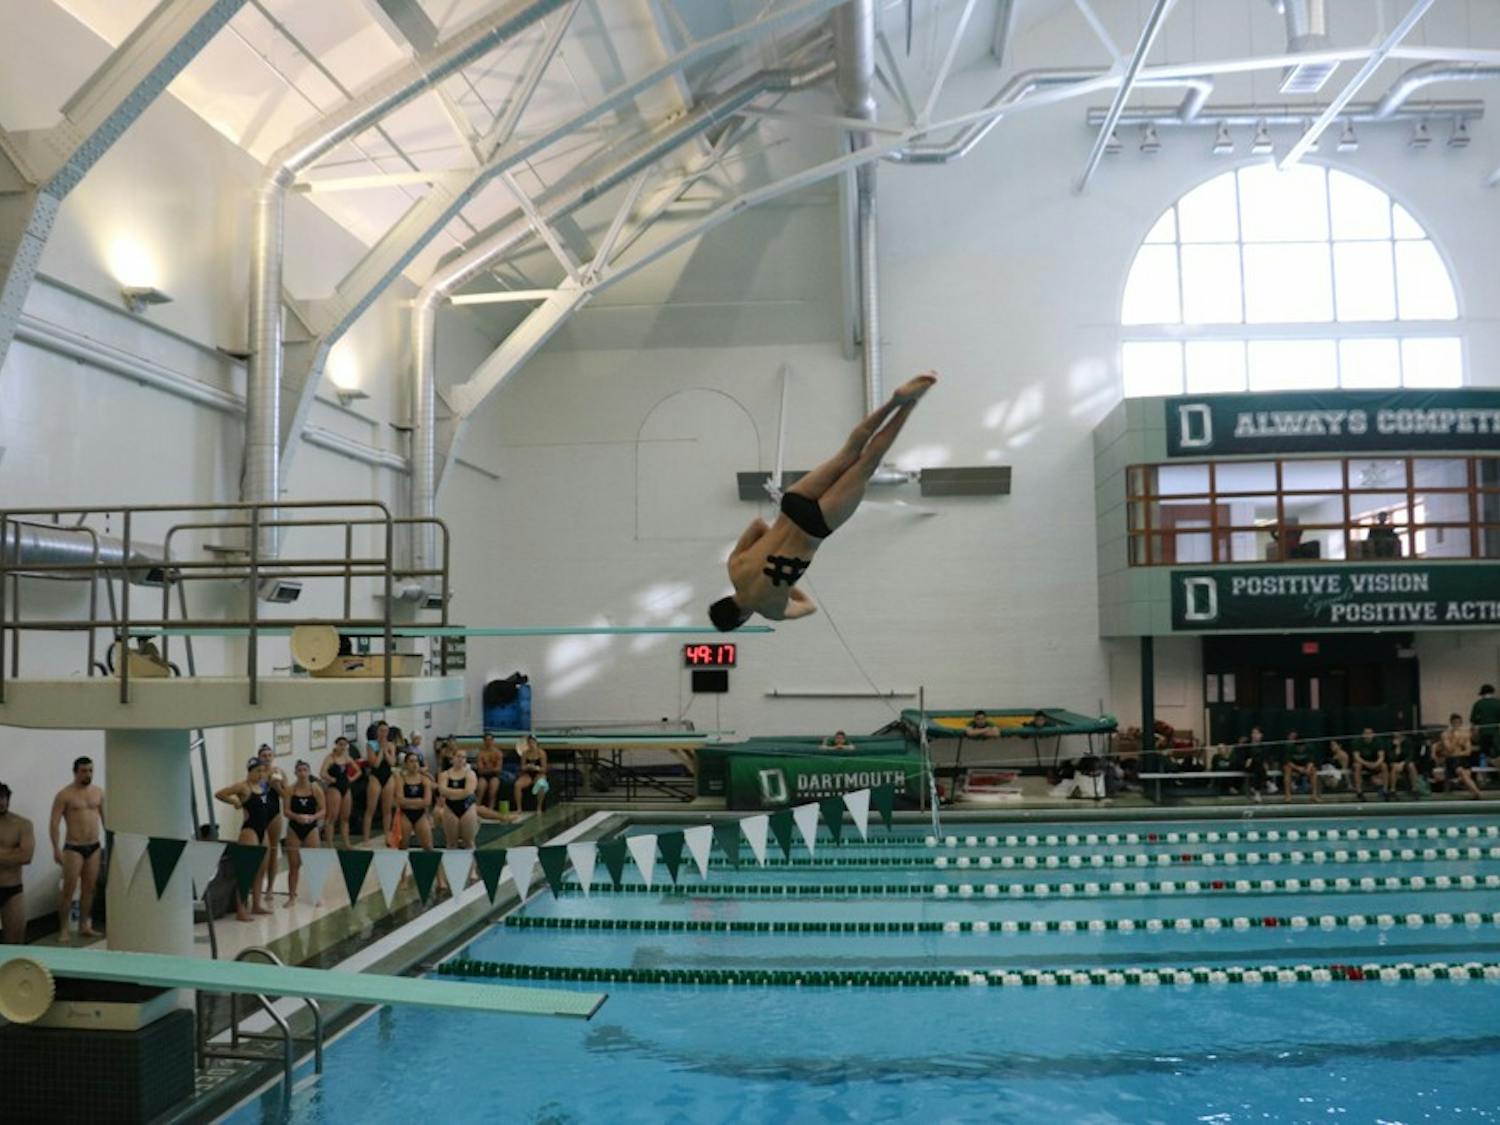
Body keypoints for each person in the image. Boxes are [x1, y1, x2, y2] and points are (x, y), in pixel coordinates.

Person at [709, 373, 937, 631]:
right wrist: (771, 549)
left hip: (815, 528)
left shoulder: (771, 610)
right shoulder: (735, 566)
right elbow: (758, 523)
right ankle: (894, 401)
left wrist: (783, 579)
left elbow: (809, 606)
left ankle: (911, 404)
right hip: (792, 506)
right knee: (848, 452)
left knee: (868, 463)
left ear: (741, 620)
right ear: (724, 599)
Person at [49, 756, 105, 940]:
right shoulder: (65, 795)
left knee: (89, 888)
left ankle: (83, 925)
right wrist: (56, 848)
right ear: (75, 772)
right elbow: (54, 824)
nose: (88, 774)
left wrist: (113, 843)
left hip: (94, 846)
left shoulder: (98, 793)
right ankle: (64, 929)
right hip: (74, 847)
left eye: (90, 770)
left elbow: (107, 820)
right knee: (69, 888)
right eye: (83, 771)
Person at [215, 759, 276, 920]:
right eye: (257, 771)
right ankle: (241, 909)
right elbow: (220, 793)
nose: (261, 774)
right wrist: (234, 801)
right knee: (247, 871)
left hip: (263, 831)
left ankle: (256, 904)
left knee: (261, 869)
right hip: (250, 831)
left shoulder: (262, 786)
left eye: (263, 771)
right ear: (249, 771)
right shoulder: (243, 786)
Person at [282, 761, 324, 907]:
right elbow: (286, 811)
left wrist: (313, 817)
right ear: (295, 773)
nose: (302, 773)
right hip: (294, 828)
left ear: (309, 772)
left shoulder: (315, 789)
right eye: (299, 770)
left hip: (311, 828)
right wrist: (296, 817)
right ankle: (291, 896)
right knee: (294, 865)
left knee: (313, 864)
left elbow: (323, 810)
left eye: (305, 770)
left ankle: (316, 894)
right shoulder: (290, 790)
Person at [0, 782, 35, 944]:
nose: (1, 802)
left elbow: (26, 856)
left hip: (12, 889)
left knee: (15, 944)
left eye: (4, 798)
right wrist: (11, 852)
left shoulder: (22, 824)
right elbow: (18, 855)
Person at [255, 744, 287, 901]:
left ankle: (270, 889)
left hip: (274, 814)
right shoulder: (255, 774)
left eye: (269, 755)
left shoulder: (279, 773)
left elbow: (287, 795)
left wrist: (276, 787)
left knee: (273, 851)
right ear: (259, 757)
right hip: (258, 815)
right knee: (262, 853)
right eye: (264, 755)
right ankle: (257, 887)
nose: (267, 758)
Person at [318, 737, 359, 847]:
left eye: (344, 745)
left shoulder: (347, 758)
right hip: (334, 788)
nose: (342, 747)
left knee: (345, 817)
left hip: (345, 786)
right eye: (340, 744)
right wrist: (331, 779)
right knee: (332, 817)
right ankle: (330, 844)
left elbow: (358, 770)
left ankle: (347, 843)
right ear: (336, 745)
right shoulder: (330, 758)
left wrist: (352, 778)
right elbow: (322, 773)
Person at [362, 723, 398, 843]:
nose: (384, 733)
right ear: (377, 732)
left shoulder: (391, 745)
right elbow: (375, 764)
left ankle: (387, 835)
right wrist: (382, 749)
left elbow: (392, 762)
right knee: (370, 808)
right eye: (381, 731)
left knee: (387, 809)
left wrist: (386, 750)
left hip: (388, 776)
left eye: (386, 731)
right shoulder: (371, 745)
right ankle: (366, 838)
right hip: (375, 777)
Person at [437, 747, 479, 850]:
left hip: (467, 807)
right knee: (451, 843)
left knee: (469, 842)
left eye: (463, 757)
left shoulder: (470, 773)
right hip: (450, 808)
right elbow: (442, 791)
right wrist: (461, 792)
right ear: (452, 759)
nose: (461, 759)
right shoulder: (444, 774)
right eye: (458, 756)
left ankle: (472, 866)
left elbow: (469, 791)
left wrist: (450, 793)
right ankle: (451, 866)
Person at [394, 753, 434, 851]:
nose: (414, 764)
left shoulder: (425, 780)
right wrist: (418, 801)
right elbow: (400, 800)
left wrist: (409, 802)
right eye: (411, 761)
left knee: (428, 845)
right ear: (406, 764)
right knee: (403, 845)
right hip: (405, 814)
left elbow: (427, 802)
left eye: (416, 761)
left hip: (421, 814)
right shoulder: (401, 780)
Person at [1438, 713, 1483, 799]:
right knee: (1461, 771)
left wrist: (1456, 752)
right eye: (1455, 723)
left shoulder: (1465, 734)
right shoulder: (1445, 735)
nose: (1456, 725)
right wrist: (1455, 738)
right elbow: (1449, 750)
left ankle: (1475, 794)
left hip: (1463, 759)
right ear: (1451, 723)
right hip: (1452, 760)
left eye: (1458, 723)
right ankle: (1478, 794)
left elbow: (1468, 751)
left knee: (1465, 775)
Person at [1280, 731, 1322, 802]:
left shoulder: (1309, 747)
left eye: (1302, 747)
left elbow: (1311, 761)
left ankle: (1314, 795)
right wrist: (1298, 768)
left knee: (1314, 770)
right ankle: (1288, 795)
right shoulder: (1290, 748)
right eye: (1299, 747)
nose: (1301, 749)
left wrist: (1308, 768)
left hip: (1305, 766)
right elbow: (1288, 762)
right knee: (1287, 769)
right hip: (1294, 767)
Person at [514, 735, 550, 817]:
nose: (531, 745)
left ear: (536, 743)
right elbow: (522, 767)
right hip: (527, 774)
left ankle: (539, 807)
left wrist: (536, 768)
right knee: (517, 785)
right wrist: (527, 767)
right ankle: (519, 808)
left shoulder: (541, 753)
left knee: (541, 784)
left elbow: (544, 769)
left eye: (533, 743)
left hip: (539, 774)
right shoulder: (525, 753)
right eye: (529, 743)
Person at [1350, 728, 1389, 801]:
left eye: (1370, 733)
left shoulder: (1378, 741)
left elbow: (1381, 756)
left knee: (1384, 766)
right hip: (1363, 763)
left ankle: (1385, 790)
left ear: (1373, 734)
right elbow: (1356, 757)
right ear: (1363, 735)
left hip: (1374, 763)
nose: (1368, 735)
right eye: (1366, 733)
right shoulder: (1357, 742)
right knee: (1357, 766)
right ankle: (1359, 791)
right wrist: (1366, 763)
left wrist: (1376, 764)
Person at [1471, 684, 1500, 766]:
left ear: (1482, 693)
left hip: (1483, 733)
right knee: (1497, 754)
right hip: (1496, 733)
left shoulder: (1478, 704)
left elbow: (1474, 721)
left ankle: (1485, 776)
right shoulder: (1498, 703)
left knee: (1483, 755)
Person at [1387, 731, 1421, 798]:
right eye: (1396, 737)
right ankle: (1392, 790)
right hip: (1394, 763)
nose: (1398, 739)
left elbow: (1410, 755)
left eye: (1399, 737)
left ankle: (1415, 789)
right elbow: (1391, 758)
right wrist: (1397, 747)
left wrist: (1403, 763)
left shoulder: (1408, 742)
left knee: (1411, 766)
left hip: (1405, 763)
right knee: (1394, 767)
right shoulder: (1390, 743)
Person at [475, 734, 505, 810]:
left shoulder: (498, 753)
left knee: (492, 792)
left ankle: (490, 809)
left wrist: (487, 769)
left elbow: (498, 769)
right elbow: (480, 770)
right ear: (484, 742)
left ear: (493, 741)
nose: (488, 742)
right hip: (483, 776)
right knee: (480, 790)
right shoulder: (481, 753)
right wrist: (491, 768)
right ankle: (476, 809)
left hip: (495, 776)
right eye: (486, 740)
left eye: (490, 740)